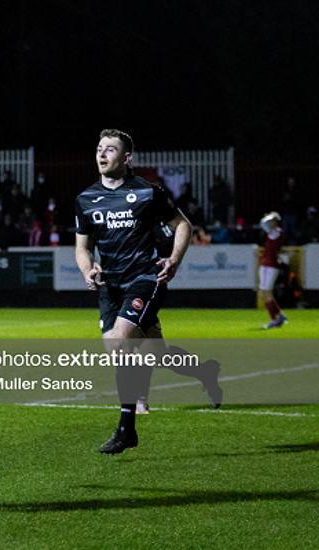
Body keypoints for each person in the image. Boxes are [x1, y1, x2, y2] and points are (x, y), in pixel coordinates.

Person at [75, 129, 221, 455]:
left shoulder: (147, 192)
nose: (102, 154)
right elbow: (82, 248)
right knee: (156, 353)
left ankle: (127, 429)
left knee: (119, 341)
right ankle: (204, 372)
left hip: (145, 279)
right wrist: (89, 269)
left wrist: (175, 259)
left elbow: (183, 224)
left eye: (110, 149)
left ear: (127, 158)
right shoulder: (86, 199)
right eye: (99, 148)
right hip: (110, 288)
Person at [258, 212, 287, 329]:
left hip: (271, 266)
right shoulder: (272, 233)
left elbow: (262, 223)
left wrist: (271, 216)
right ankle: (279, 315)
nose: (269, 224)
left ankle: (274, 320)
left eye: (272, 222)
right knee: (263, 293)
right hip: (264, 265)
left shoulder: (276, 233)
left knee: (267, 293)